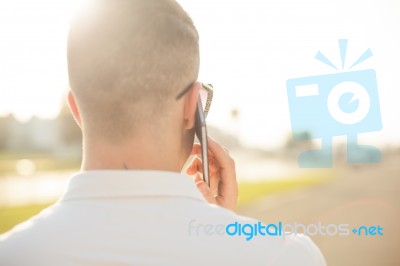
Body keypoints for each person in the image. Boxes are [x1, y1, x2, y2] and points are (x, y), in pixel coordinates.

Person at [0, 0, 326, 265]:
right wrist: (220, 229)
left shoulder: (12, 253)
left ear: (76, 110)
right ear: (191, 108)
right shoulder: (288, 256)